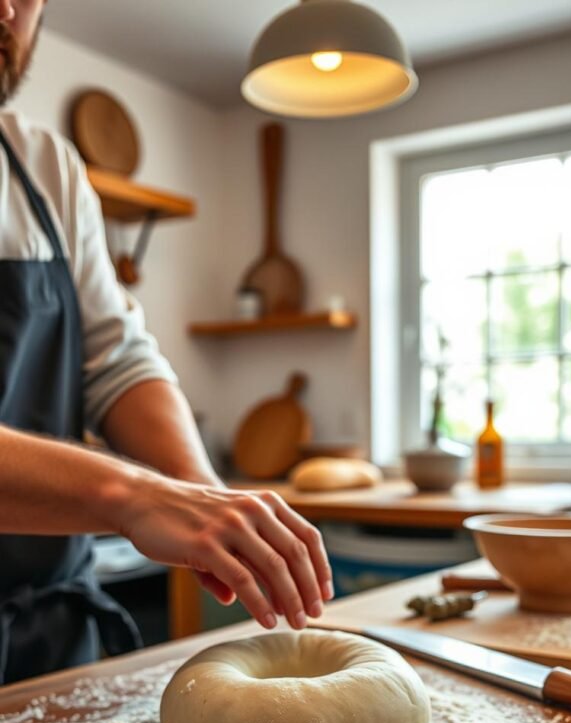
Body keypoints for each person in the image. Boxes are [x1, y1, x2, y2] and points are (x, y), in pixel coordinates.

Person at [0, 0, 334, 684]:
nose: (7, 10)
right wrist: (133, 495)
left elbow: (116, 361)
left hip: (49, 641)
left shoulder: (45, 167)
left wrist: (203, 495)